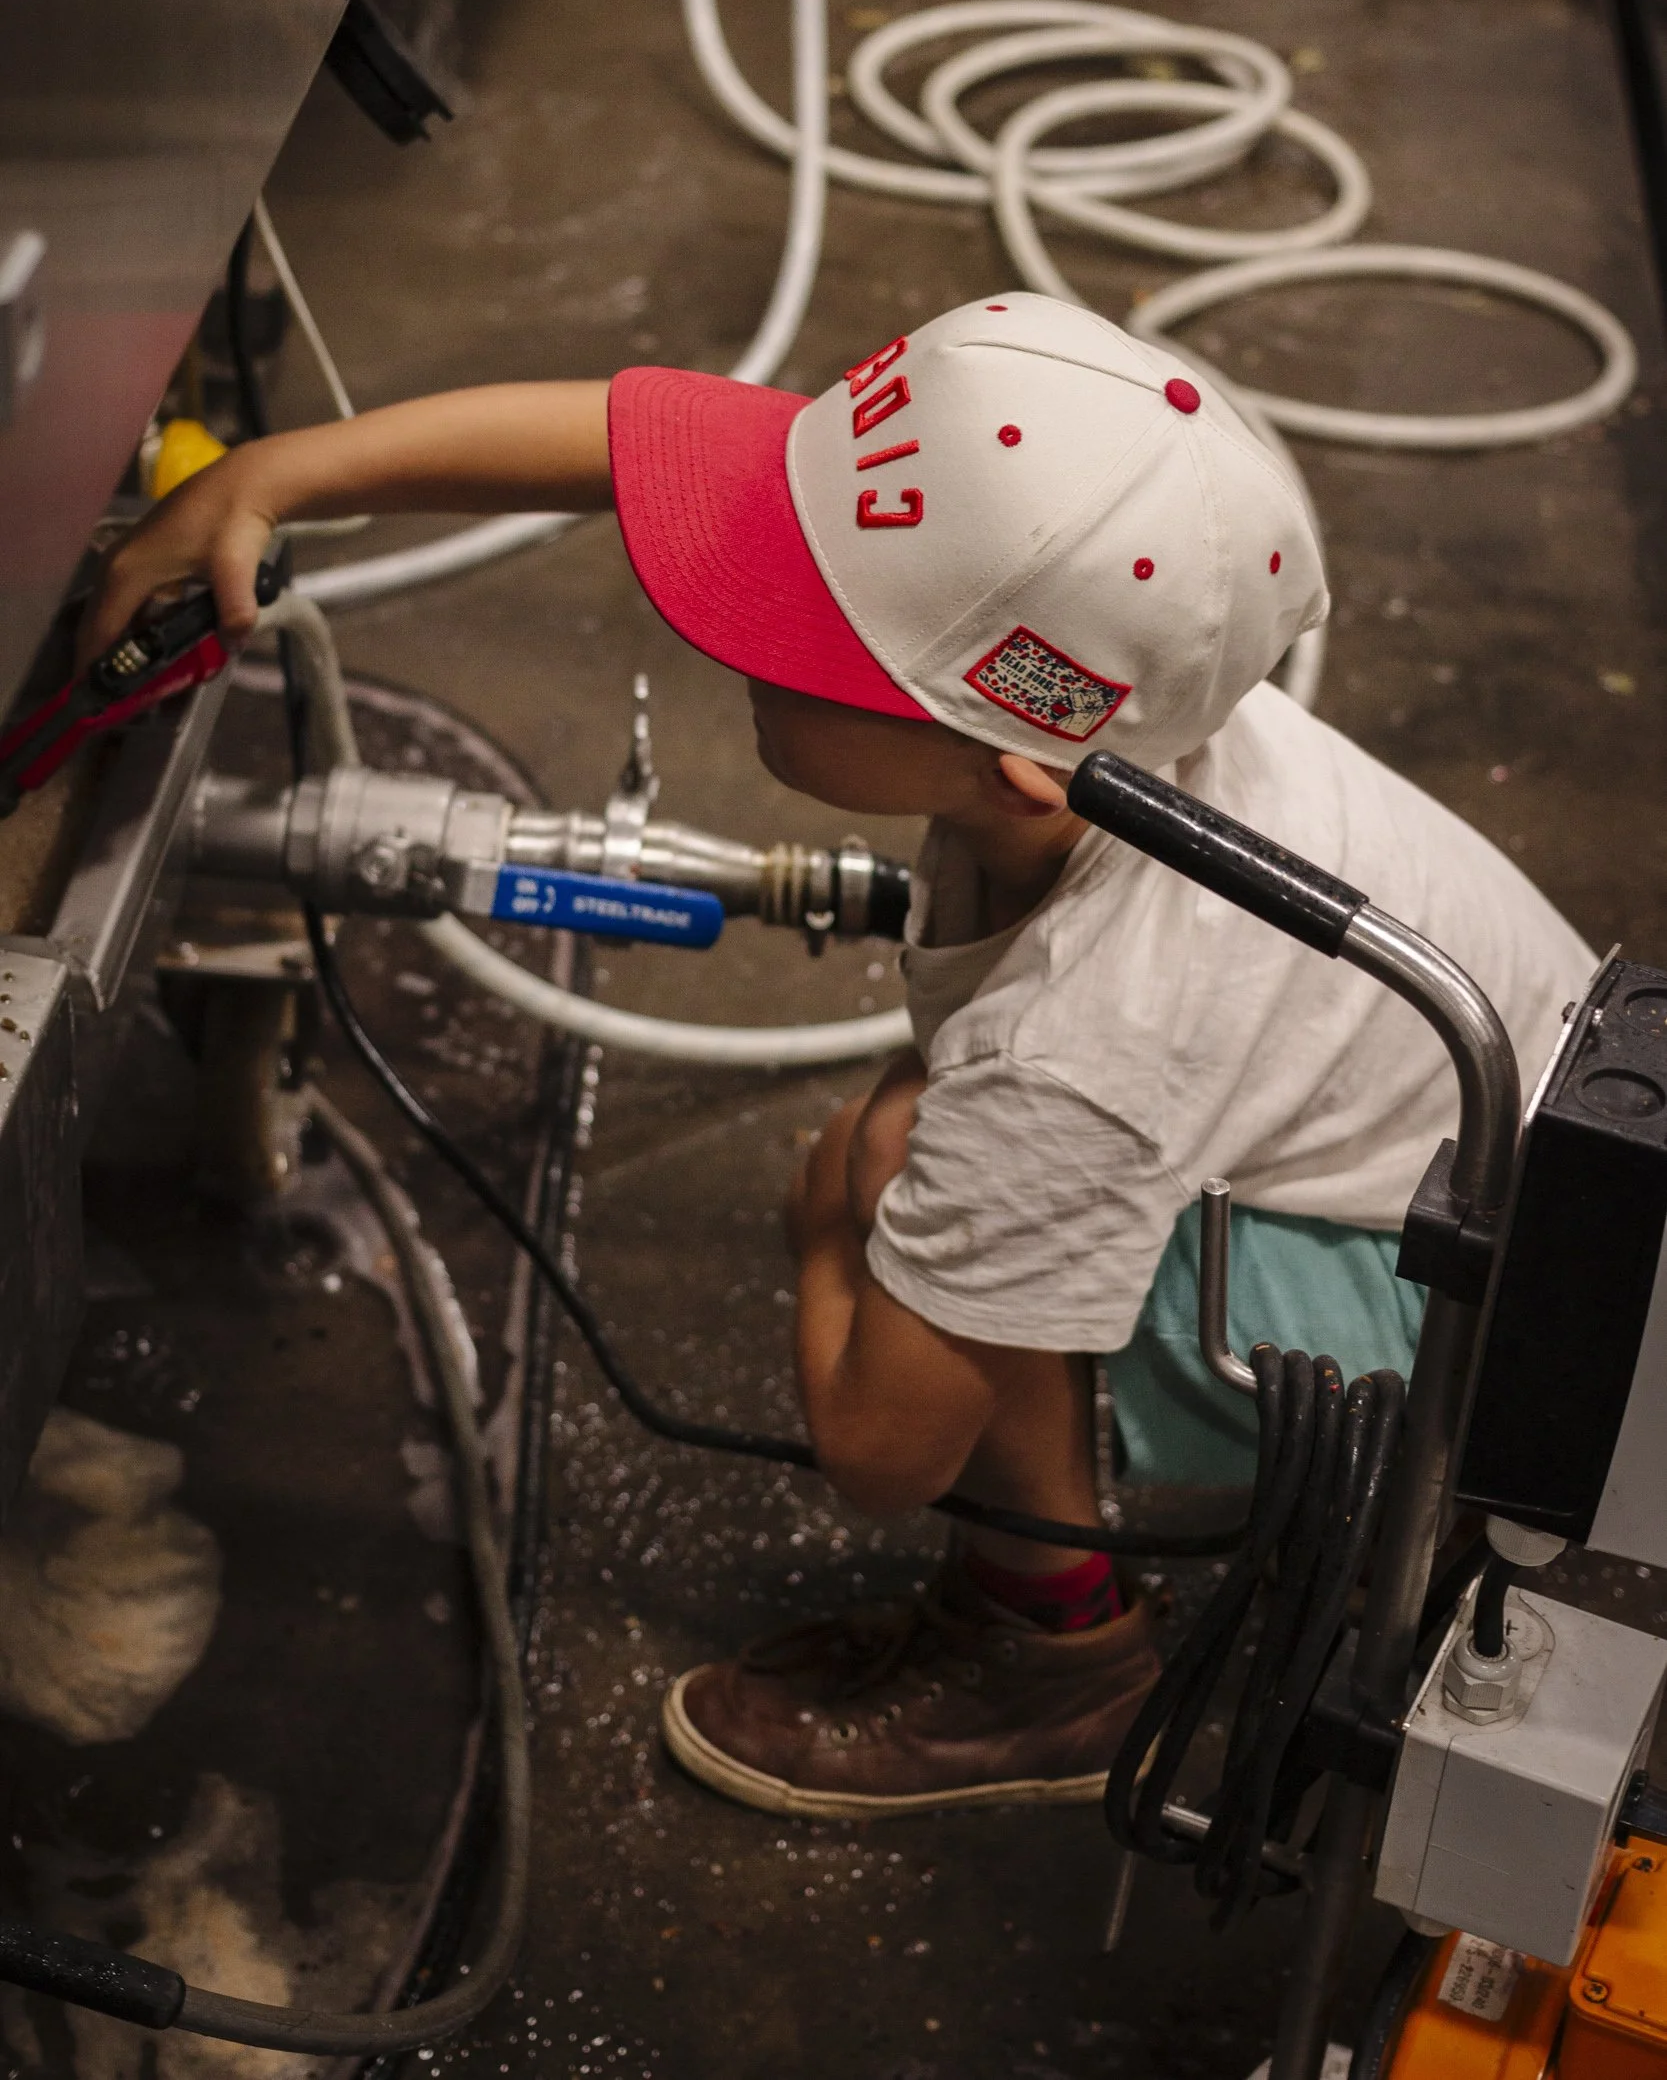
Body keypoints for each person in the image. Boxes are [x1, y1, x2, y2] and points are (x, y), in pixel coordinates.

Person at [87, 291, 1595, 1820]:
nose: (725, 582)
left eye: (796, 619)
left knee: (884, 1172)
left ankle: (1051, 1655)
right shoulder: (1110, 719)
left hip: (1500, 1352)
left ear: (1010, 758)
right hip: (1507, 1204)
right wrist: (270, 475)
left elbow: (877, 1451)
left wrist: (829, 1238)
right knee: (931, 1153)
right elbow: (617, 441)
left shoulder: (1081, 1039)